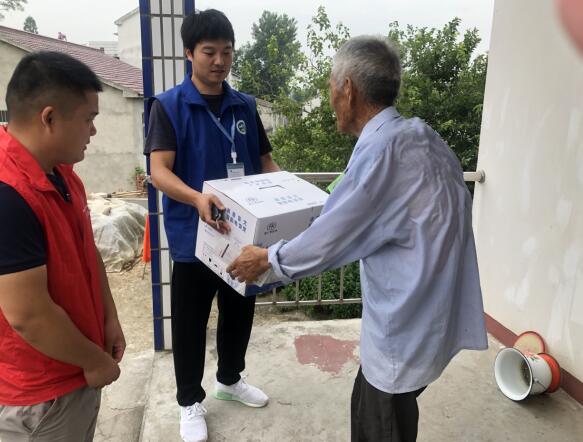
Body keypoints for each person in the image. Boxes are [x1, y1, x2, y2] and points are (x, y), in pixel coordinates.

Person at [227, 35, 488, 442]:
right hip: (429, 317)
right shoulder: (423, 137)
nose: (330, 99)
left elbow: (330, 239)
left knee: (381, 422)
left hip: (402, 331)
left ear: (347, 89)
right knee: (390, 412)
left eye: (331, 88)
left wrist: (266, 260)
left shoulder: (382, 153)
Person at [145, 9, 279, 442]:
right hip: (194, 237)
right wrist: (197, 198)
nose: (219, 61)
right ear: (189, 53)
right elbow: (159, 171)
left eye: (227, 51)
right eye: (209, 52)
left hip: (242, 236)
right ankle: (189, 401)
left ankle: (230, 379)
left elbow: (265, 162)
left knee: (239, 312)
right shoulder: (168, 107)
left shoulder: (245, 106)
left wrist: (288, 194)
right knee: (189, 323)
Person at [0, 51, 125, 441]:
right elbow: (28, 315)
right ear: (49, 118)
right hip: (42, 396)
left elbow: (87, 253)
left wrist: (109, 319)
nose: (93, 131)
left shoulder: (63, 175)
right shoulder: (9, 196)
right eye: (88, 119)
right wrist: (95, 361)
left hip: (78, 368)